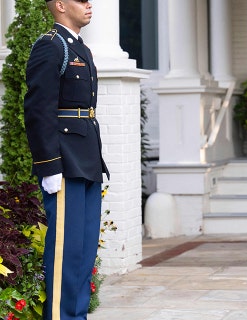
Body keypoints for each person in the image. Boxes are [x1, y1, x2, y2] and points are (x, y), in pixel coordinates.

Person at [23, 0, 109, 319]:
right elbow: (37, 109)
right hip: (64, 162)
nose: (89, 5)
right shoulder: (51, 46)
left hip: (87, 159)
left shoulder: (80, 49)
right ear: (60, 5)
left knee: (84, 255)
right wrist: (49, 166)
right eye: (81, 0)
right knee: (65, 254)